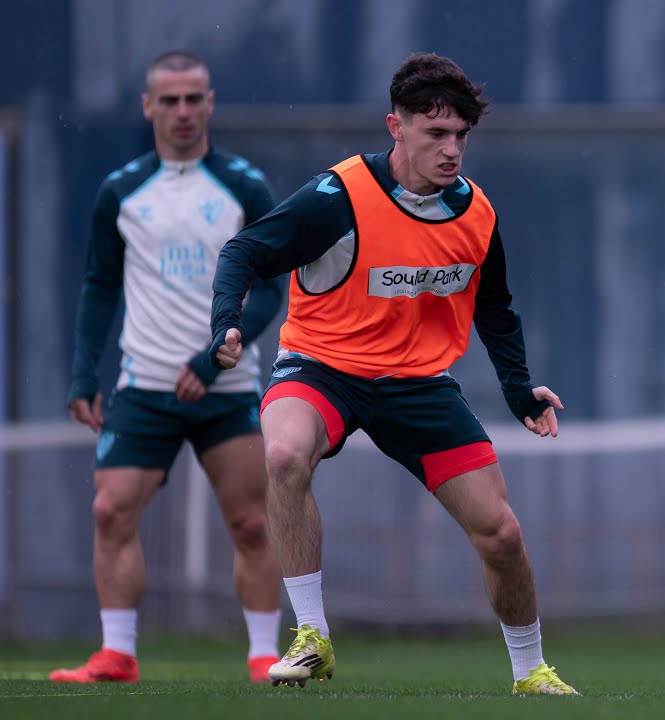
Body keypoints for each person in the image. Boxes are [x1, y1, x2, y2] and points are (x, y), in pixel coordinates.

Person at [208, 52, 579, 696]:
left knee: (502, 533)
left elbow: (494, 308)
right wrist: (226, 325)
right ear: (395, 127)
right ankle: (313, 639)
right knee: (286, 455)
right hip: (322, 369)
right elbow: (244, 249)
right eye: (436, 133)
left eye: (461, 135)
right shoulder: (337, 198)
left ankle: (531, 673)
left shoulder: (475, 213)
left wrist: (520, 390)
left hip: (418, 385)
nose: (452, 149)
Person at [53, 51, 285, 684]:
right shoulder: (121, 191)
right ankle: (117, 654)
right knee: (109, 511)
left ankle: (264, 656)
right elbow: (100, 286)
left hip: (227, 385)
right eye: (169, 100)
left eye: (193, 99)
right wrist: (81, 377)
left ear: (210, 103)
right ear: (147, 107)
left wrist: (213, 358)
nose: (182, 111)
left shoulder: (244, 186)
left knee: (251, 522)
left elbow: (270, 291)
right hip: (144, 386)